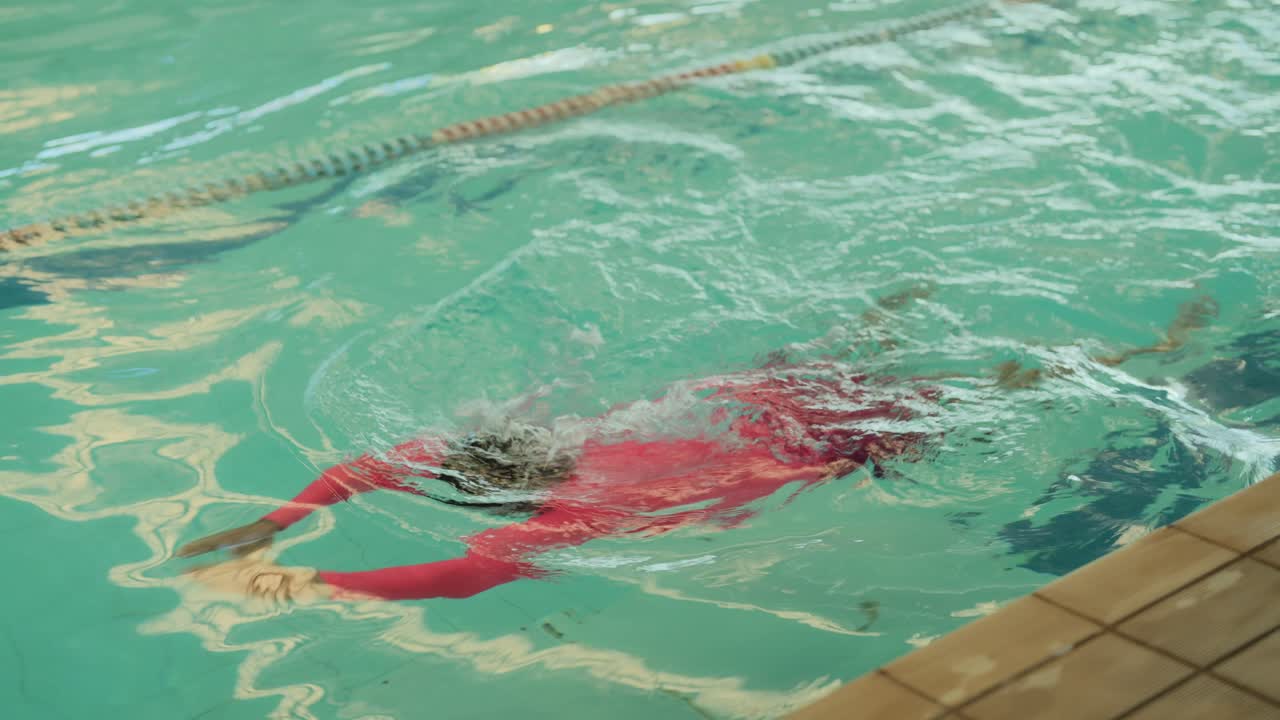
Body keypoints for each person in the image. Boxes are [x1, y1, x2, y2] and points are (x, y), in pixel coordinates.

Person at [180, 292, 1216, 602]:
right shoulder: (573, 453)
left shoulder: (578, 511)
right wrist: (280, 522)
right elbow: (375, 467)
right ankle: (898, 322)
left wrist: (305, 572)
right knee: (908, 368)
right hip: (768, 396)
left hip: (833, 443)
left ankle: (1149, 349)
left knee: (995, 393)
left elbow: (457, 575)